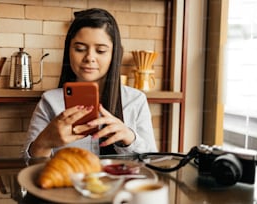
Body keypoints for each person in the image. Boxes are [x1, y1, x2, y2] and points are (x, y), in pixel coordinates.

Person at [23, 8, 157, 159]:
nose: (89, 57)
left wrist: (129, 139)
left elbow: (152, 163)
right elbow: (28, 171)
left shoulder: (135, 100)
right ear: (69, 51)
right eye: (80, 49)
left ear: (114, 54)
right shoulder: (50, 101)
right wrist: (44, 143)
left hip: (120, 183)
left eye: (100, 51)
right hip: (67, 182)